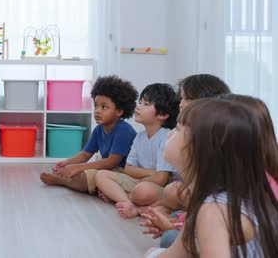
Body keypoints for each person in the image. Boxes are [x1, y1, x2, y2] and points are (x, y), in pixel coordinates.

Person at [144, 99, 278, 257]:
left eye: (178, 130)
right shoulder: (212, 200)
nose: (170, 134)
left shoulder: (214, 210)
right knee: (152, 252)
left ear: (200, 149)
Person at [40, 75, 137, 195]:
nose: (97, 110)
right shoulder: (98, 129)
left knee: (83, 176)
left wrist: (78, 167)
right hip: (108, 169)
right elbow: (85, 154)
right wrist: (68, 163)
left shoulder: (124, 131)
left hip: (122, 171)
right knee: (80, 173)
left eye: (104, 107)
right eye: (96, 106)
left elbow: (112, 162)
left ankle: (62, 181)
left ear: (119, 111)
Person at [95, 83, 179, 219]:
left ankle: (124, 198)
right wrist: (151, 174)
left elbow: (161, 179)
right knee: (101, 175)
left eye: (146, 104)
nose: (138, 107)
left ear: (163, 114)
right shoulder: (139, 137)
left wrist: (139, 182)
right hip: (141, 181)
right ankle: (129, 203)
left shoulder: (167, 137)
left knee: (143, 191)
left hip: (159, 187)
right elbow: (129, 168)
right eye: (140, 102)